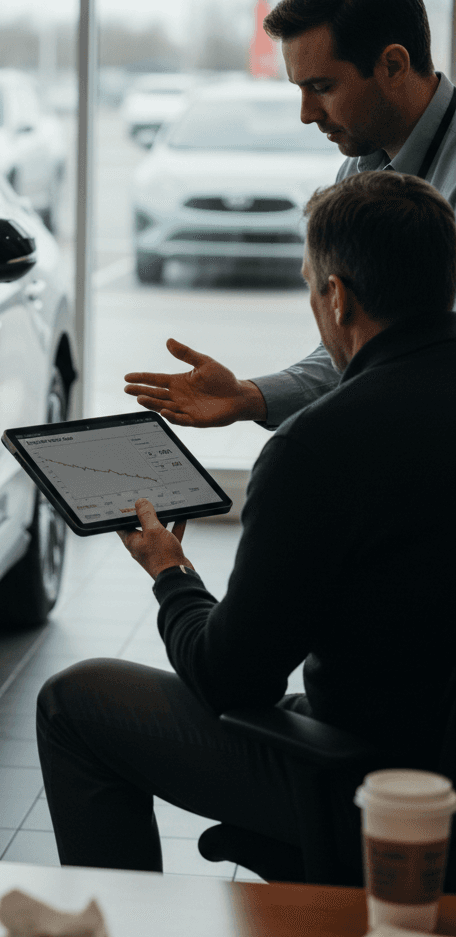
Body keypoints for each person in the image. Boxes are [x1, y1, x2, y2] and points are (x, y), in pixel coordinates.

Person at [36, 171, 456, 872]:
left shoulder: (319, 446)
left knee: (74, 704)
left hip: (372, 783)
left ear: (337, 296)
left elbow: (232, 679)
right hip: (428, 742)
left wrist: (171, 574)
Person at [124, 0, 456, 431]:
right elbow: (358, 349)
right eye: (300, 90)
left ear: (393, 65)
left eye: (322, 87)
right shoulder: (358, 171)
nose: (306, 114)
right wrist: (251, 397)